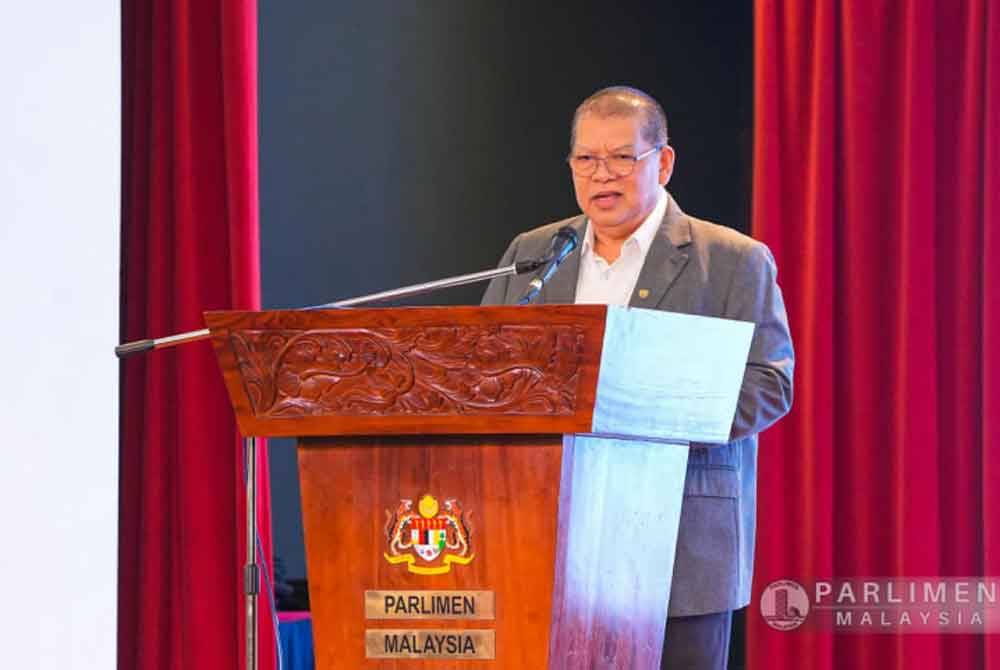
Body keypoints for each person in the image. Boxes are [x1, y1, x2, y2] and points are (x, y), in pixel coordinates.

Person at [481, 86, 794, 669]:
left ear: (663, 162)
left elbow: (769, 383)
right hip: (547, 537)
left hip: (680, 542)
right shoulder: (536, 254)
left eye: (622, 157)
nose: (603, 174)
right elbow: (483, 370)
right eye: (586, 159)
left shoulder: (731, 259)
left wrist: (650, 420)